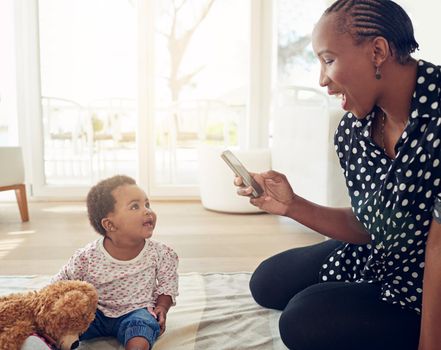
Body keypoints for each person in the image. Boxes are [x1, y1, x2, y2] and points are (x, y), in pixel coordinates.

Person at [235, 1, 441, 349]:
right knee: (266, 282)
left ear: (378, 51)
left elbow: (438, 245)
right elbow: (367, 225)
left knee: (302, 321)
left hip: (426, 280)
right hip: (384, 250)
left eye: (328, 60)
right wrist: (292, 205)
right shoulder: (354, 131)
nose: (321, 80)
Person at [51, 175, 179, 350]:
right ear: (110, 225)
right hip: (95, 313)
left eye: (147, 204)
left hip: (136, 311)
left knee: (143, 329)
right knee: (63, 324)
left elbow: (167, 284)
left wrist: (162, 307)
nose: (147, 211)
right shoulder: (86, 257)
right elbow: (60, 283)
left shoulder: (162, 253)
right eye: (135, 206)